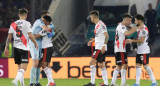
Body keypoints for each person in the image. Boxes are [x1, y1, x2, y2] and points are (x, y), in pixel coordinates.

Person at [4, 8, 38, 86]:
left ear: (19, 15)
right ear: (26, 15)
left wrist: (6, 47)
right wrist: (35, 43)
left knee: (19, 68)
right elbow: (30, 35)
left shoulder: (13, 24)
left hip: (15, 48)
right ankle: (16, 80)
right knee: (24, 68)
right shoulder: (27, 23)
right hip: (25, 48)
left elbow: (9, 37)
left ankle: (22, 85)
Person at [111, 13, 143, 86]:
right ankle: (117, 83)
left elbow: (129, 29)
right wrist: (136, 28)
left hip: (121, 48)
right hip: (120, 49)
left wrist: (134, 28)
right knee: (122, 65)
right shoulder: (122, 27)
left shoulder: (122, 26)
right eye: (130, 21)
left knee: (122, 65)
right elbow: (127, 34)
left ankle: (120, 83)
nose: (130, 22)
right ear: (126, 19)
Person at [126, 14, 158, 86]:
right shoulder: (140, 28)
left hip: (144, 50)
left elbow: (141, 40)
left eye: (136, 20)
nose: (135, 21)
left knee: (146, 66)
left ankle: (154, 82)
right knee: (138, 66)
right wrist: (125, 25)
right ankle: (137, 83)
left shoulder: (143, 29)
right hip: (140, 50)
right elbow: (132, 29)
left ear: (140, 20)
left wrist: (131, 41)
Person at [84, 10, 109, 86]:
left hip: (100, 47)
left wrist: (104, 46)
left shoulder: (101, 25)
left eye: (91, 17)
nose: (90, 19)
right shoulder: (97, 25)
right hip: (98, 46)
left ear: (93, 17)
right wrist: (92, 40)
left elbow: (106, 35)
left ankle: (92, 83)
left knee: (91, 63)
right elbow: (99, 36)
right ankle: (106, 83)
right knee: (101, 65)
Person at [29, 11, 53, 86]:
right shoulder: (39, 22)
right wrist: (51, 27)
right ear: (43, 17)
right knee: (35, 62)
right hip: (34, 43)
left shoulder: (45, 23)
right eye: (47, 17)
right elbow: (45, 29)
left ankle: (37, 82)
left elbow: (43, 33)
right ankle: (31, 83)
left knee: (39, 64)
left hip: (40, 44)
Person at [34, 15, 56, 86]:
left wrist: (29, 34)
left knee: (44, 64)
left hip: (46, 48)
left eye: (43, 20)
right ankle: (51, 82)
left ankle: (51, 81)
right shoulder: (49, 27)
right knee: (44, 64)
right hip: (47, 47)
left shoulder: (46, 29)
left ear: (47, 21)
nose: (42, 21)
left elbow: (37, 36)